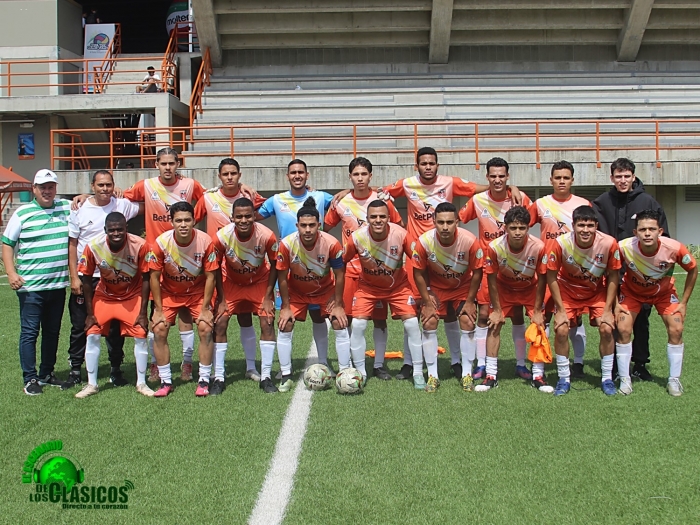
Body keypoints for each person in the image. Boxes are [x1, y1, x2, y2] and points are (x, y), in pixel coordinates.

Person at [380, 147, 522, 380]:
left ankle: (457, 362)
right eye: (423, 163)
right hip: (420, 257)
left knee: (453, 313)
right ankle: (409, 363)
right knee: (417, 312)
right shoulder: (406, 184)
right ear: (416, 166)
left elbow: (485, 188)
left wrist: (511, 187)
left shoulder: (450, 183)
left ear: (437, 165)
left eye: (432, 163)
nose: (428, 167)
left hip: (450, 257)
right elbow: (379, 194)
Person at [122, 148, 205, 383]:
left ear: (178, 164)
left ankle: (187, 364)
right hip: (155, 257)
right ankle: (155, 364)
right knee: (155, 314)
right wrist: (85, 198)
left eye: (172, 163)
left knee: (186, 316)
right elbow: (120, 197)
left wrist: (194, 220)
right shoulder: (146, 185)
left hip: (185, 257)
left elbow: (209, 199)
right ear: (156, 164)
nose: (168, 167)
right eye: (163, 163)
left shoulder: (190, 185)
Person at [324, 157, 404, 380]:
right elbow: (325, 226)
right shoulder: (341, 202)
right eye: (356, 174)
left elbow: (399, 225)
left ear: (371, 175)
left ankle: (378, 365)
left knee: (379, 319)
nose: (360, 178)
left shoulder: (382, 200)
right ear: (350, 177)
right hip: (350, 270)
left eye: (364, 174)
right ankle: (349, 363)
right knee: (346, 318)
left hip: (378, 271)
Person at [593, 157, 670, 381]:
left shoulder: (648, 202)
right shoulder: (602, 202)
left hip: (642, 272)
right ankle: (617, 363)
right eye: (619, 176)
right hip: (613, 271)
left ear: (633, 177)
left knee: (642, 319)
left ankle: (640, 363)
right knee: (618, 316)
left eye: (627, 176)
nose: (623, 180)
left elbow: (663, 238)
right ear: (612, 178)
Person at [65, 170, 141, 389]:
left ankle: (115, 369)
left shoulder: (121, 205)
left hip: (115, 278)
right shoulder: (79, 208)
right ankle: (75, 369)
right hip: (87, 276)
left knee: (114, 327)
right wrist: (74, 277)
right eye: (100, 185)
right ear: (92, 186)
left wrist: (124, 194)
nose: (105, 189)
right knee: (81, 324)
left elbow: (150, 205)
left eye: (109, 185)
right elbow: (72, 244)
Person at [458, 157, 532, 381]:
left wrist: (515, 190)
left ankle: (520, 364)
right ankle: (482, 364)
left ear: (508, 177)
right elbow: (458, 219)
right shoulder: (478, 200)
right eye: (493, 176)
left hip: (515, 266)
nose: (498, 180)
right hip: (487, 267)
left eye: (502, 176)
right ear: (487, 177)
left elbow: (533, 220)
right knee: (483, 315)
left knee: (517, 314)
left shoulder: (520, 199)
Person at [257, 159, 335, 371]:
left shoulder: (320, 196)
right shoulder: (276, 200)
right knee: (285, 319)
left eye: (301, 172)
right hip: (289, 268)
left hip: (318, 267)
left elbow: (343, 203)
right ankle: (285, 370)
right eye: (293, 173)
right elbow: (253, 215)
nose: (297, 176)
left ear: (307, 175)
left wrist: (345, 192)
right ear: (287, 176)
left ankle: (323, 362)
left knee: (319, 316)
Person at [195, 158, 266, 382]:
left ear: (239, 175)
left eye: (233, 173)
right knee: (219, 321)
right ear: (219, 176)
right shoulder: (208, 197)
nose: (229, 177)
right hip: (219, 272)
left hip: (247, 270)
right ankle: (218, 372)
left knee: (246, 318)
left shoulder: (250, 198)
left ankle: (251, 368)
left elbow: (268, 209)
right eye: (225, 174)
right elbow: (190, 218)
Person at [2, 169, 70, 395]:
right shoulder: (23, 213)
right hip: (31, 287)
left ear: (56, 188)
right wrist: (11, 273)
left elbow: (88, 204)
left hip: (57, 285)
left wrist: (82, 198)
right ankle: (30, 378)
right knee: (30, 333)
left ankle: (47, 373)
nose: (47, 191)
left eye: (51, 187)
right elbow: (7, 243)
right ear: (34, 189)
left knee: (52, 332)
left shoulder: (66, 207)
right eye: (42, 187)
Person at [615, 209, 697, 396]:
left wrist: (683, 303)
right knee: (623, 328)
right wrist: (614, 302)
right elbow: (611, 270)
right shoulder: (623, 247)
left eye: (652, 229)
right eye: (643, 229)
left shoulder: (675, 248)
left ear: (660, 231)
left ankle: (674, 380)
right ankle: (625, 379)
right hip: (632, 293)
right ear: (635, 233)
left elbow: (692, 268)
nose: (647, 233)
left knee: (676, 329)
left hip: (664, 294)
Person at [343, 200, 424, 387]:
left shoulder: (401, 234)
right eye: (373, 217)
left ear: (388, 218)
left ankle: (418, 372)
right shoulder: (357, 237)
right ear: (367, 218)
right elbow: (341, 262)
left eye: (382, 216)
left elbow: (419, 260)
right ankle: (360, 372)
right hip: (368, 287)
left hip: (398, 287)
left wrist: (425, 291)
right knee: (358, 324)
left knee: (412, 323)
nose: (378, 220)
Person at [148, 202, 222, 397]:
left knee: (206, 327)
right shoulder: (162, 243)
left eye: (187, 220)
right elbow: (154, 277)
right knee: (159, 328)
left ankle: (204, 379)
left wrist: (206, 308)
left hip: (197, 293)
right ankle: (165, 381)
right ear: (171, 222)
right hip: (170, 294)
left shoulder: (206, 241)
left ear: (194, 221)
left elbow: (211, 277)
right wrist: (158, 309)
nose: (183, 224)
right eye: (178, 220)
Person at [76, 212, 153, 398]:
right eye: (112, 230)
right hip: (105, 296)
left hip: (131, 296)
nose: (116, 233)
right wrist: (89, 313)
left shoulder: (141, 245)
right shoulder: (94, 246)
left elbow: (146, 278)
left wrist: (143, 312)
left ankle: (141, 383)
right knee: (92, 334)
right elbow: (86, 279)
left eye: (120, 229)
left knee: (141, 334)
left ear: (127, 229)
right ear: (105, 230)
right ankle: (91, 384)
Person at [546, 205, 621, 396]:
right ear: (573, 226)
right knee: (562, 329)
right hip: (568, 293)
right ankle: (564, 378)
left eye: (590, 225)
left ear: (596, 225)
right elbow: (551, 277)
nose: (585, 230)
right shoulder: (561, 243)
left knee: (606, 328)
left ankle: (606, 378)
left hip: (596, 293)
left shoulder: (609, 243)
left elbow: (613, 276)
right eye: (581, 225)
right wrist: (560, 309)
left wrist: (608, 309)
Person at [275, 198, 348, 392]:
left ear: (319, 225)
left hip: (325, 291)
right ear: (297, 225)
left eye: (312, 225)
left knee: (339, 322)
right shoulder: (287, 244)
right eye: (304, 226)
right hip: (296, 292)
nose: (307, 230)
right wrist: (285, 307)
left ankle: (343, 372)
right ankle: (285, 374)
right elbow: (282, 276)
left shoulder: (332, 243)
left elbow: (340, 274)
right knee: (285, 324)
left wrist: (339, 303)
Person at [528, 160, 591, 377]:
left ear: (572, 180)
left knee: (575, 319)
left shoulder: (583, 205)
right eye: (558, 177)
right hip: (546, 271)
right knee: (542, 317)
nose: (561, 181)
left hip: (573, 273)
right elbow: (520, 225)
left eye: (566, 178)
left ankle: (579, 363)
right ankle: (540, 362)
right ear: (551, 180)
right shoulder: (541, 204)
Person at [412, 202, 482, 392]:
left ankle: (467, 374)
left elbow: (477, 271)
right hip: (436, 288)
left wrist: (469, 301)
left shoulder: (469, 240)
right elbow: (418, 272)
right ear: (433, 221)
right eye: (441, 222)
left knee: (468, 321)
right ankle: (433, 376)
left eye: (449, 222)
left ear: (457, 222)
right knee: (428, 322)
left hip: (462, 287)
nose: (445, 227)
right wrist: (426, 300)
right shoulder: (425, 241)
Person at [480, 206, 550, 392]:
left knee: (539, 325)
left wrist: (536, 311)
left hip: (530, 288)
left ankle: (538, 375)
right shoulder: (495, 247)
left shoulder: (539, 247)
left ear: (528, 228)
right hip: (504, 288)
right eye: (513, 228)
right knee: (494, 323)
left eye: (522, 228)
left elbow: (542, 278)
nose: (517, 232)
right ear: (505, 228)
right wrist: (496, 309)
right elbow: (492, 279)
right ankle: (491, 375)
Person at [212, 198, 278, 394]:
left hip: (258, 282)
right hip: (231, 283)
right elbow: (215, 267)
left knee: (267, 321)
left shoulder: (266, 235)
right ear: (232, 217)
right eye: (239, 216)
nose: (243, 220)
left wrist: (267, 297)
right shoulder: (222, 236)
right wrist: (222, 299)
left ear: (254, 216)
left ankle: (265, 376)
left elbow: (275, 265)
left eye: (248, 216)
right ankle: (219, 377)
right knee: (221, 322)